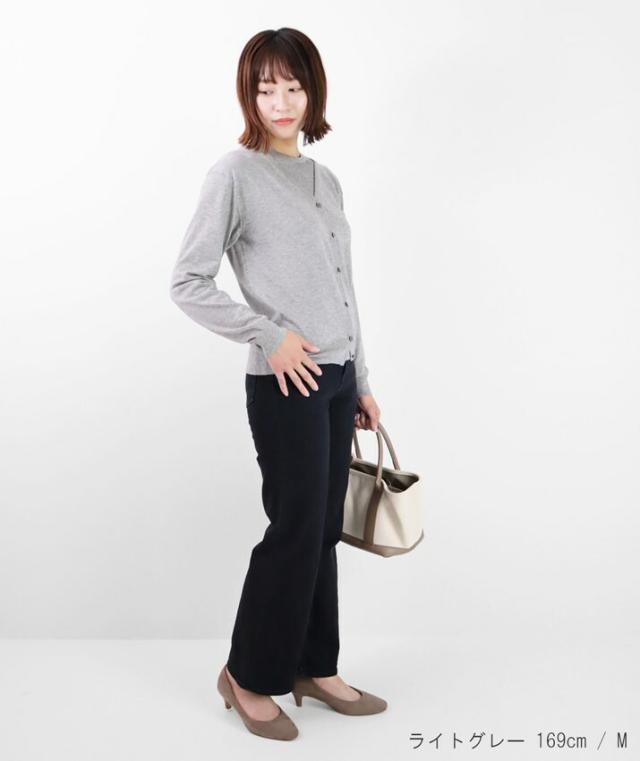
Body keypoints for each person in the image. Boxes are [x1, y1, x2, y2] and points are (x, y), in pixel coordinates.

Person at [170, 27, 387, 741]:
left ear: (313, 92)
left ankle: (314, 666)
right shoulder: (234, 175)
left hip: (336, 380)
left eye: (293, 86)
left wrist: (361, 377)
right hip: (285, 381)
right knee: (295, 528)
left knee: (324, 529)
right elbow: (188, 281)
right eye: (266, 88)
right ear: (249, 95)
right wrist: (268, 334)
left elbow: (344, 287)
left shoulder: (326, 181)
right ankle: (247, 673)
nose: (281, 101)